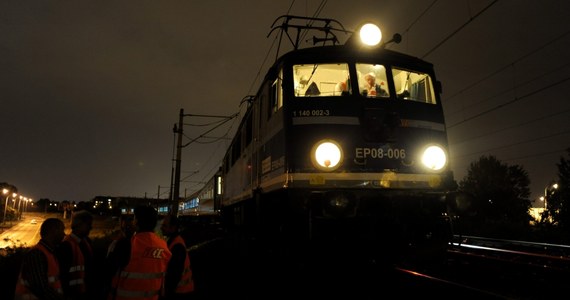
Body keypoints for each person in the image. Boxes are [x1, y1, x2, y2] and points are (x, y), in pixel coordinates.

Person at [107, 205, 172, 300]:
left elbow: (108, 271)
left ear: (136, 221)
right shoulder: (163, 246)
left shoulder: (126, 244)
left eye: (134, 218)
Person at [14, 218, 66, 300]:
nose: (64, 234)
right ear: (53, 231)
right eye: (62, 230)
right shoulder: (37, 254)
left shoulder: (49, 252)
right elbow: (40, 288)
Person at [56, 210, 94, 300]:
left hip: (84, 292)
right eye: (88, 224)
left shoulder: (86, 242)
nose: (91, 227)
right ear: (79, 225)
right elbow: (62, 274)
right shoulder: (66, 245)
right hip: (72, 294)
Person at [160, 214, 195, 300]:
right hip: (181, 291)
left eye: (164, 226)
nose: (161, 228)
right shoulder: (174, 241)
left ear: (173, 228)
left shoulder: (177, 246)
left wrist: (166, 293)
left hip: (181, 292)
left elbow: (174, 275)